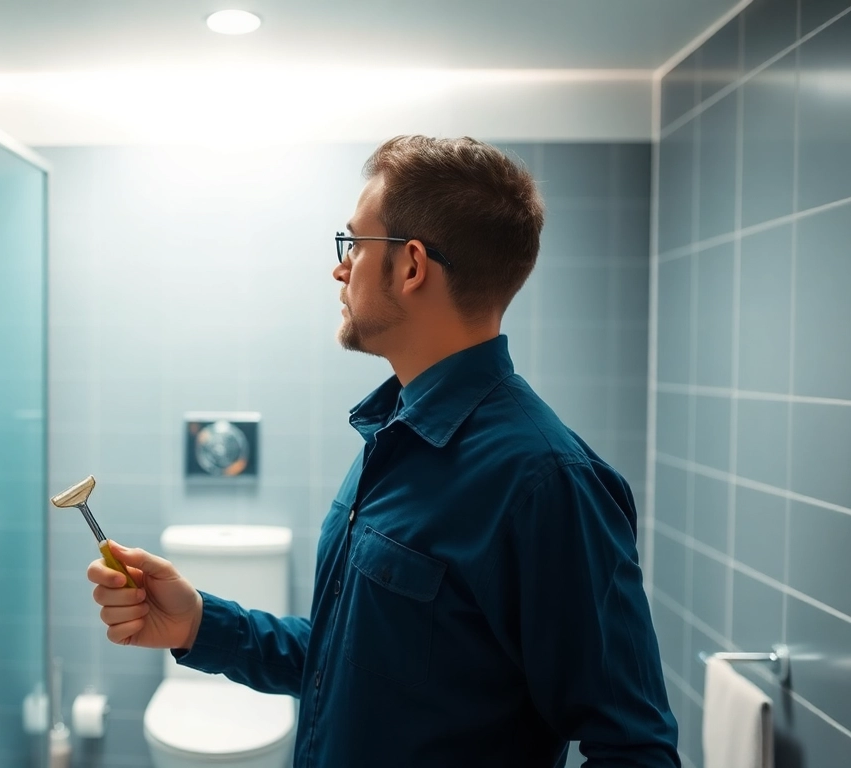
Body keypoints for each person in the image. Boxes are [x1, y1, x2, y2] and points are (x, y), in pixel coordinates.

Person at [87, 135, 679, 767]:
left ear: (411, 265)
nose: (340, 269)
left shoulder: (544, 482)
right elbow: (351, 662)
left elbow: (634, 750)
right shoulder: (392, 433)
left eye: (354, 244)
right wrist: (200, 624)